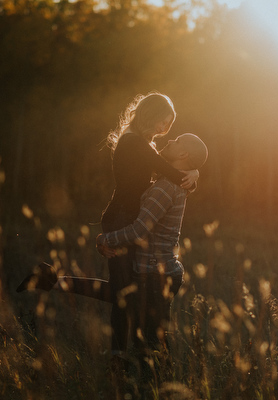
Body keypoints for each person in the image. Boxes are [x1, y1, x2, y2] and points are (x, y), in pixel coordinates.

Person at [17, 92, 199, 356]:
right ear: (151, 115)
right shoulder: (134, 142)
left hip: (126, 216)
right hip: (121, 217)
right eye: (164, 122)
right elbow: (173, 174)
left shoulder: (143, 144)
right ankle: (117, 355)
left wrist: (193, 170)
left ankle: (52, 282)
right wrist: (194, 170)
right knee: (121, 294)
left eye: (169, 125)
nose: (165, 130)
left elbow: (169, 175)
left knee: (123, 293)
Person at [95, 133, 208, 385]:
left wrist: (106, 239)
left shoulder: (165, 188)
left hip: (155, 276)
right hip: (161, 273)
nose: (169, 140)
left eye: (177, 140)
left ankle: (157, 389)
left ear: (183, 155)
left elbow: (138, 230)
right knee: (149, 343)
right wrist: (196, 173)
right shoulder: (172, 183)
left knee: (150, 349)